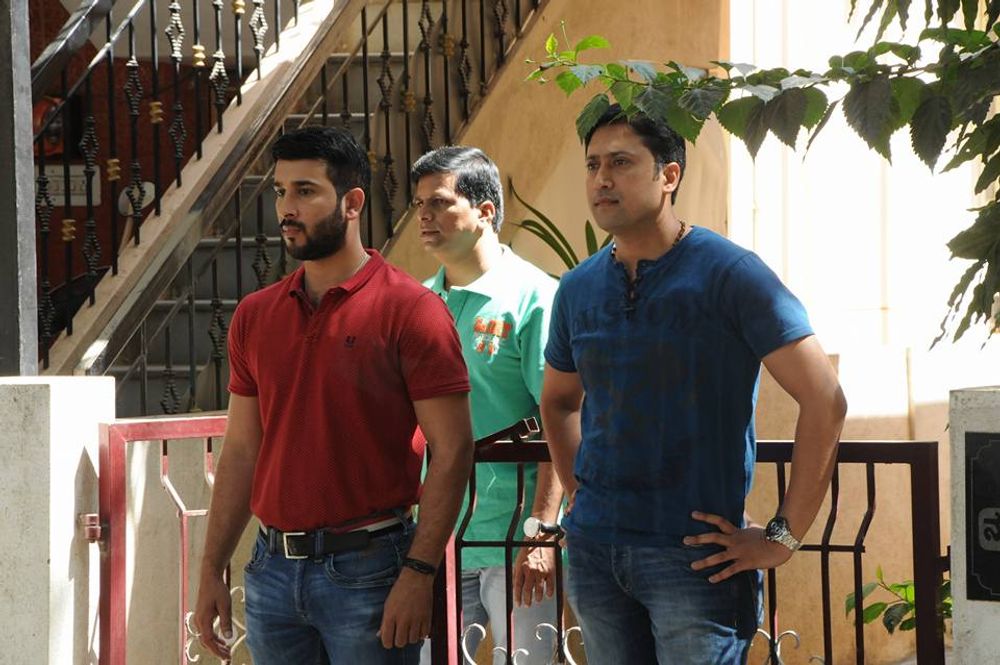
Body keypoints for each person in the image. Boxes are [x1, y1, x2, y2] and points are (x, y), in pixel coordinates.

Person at [540, 104, 848, 664]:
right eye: (592, 165)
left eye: (621, 162)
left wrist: (783, 536)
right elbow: (559, 402)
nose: (602, 178)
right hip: (595, 554)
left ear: (669, 175)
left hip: (697, 557)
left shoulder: (730, 274)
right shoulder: (577, 288)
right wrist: (580, 495)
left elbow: (825, 397)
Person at [193, 126, 475, 665]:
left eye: (306, 191)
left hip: (371, 568)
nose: (287, 208)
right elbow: (242, 449)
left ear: (352, 203)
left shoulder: (412, 311)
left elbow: (454, 449)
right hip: (271, 570)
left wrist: (419, 572)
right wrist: (211, 568)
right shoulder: (254, 315)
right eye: (281, 191)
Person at [411, 146, 562, 665]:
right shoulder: (417, 305)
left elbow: (559, 420)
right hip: (436, 538)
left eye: (439, 202)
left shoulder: (535, 298)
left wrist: (542, 533)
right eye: (419, 204)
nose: (424, 215)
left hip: (515, 541)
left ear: (485, 211)